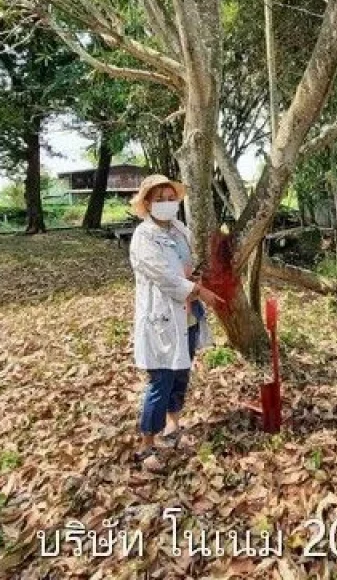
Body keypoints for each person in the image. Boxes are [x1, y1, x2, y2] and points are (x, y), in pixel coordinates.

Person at [128, 174, 222, 472]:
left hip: (188, 315)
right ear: (146, 204)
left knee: (181, 372)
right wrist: (199, 291)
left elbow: (186, 265)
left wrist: (196, 277)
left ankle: (173, 424)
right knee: (161, 381)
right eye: (159, 200)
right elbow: (166, 278)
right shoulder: (143, 238)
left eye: (171, 198)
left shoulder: (180, 229)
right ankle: (146, 445)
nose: (167, 204)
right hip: (162, 319)